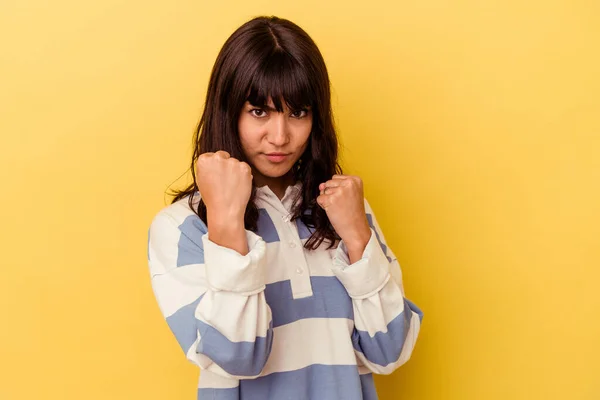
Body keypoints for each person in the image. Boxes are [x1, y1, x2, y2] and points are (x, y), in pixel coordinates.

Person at [147, 15, 423, 400]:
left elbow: (389, 352)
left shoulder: (344, 211)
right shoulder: (182, 228)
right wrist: (226, 221)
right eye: (259, 111)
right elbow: (237, 358)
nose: (280, 137)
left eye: (298, 113)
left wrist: (359, 237)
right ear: (228, 111)